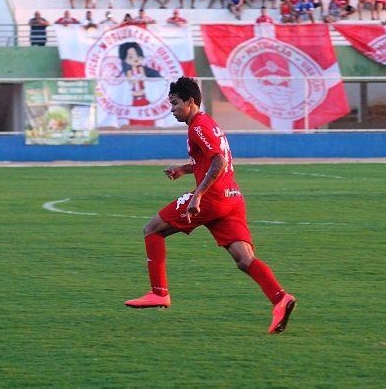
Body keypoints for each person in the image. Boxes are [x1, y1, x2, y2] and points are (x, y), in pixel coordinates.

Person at [124, 77, 296, 335]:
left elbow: (218, 161)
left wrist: (197, 196)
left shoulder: (198, 127)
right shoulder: (207, 124)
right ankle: (280, 298)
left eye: (174, 103)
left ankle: (159, 293)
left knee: (152, 229)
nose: (171, 109)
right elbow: (212, 159)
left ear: (190, 102)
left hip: (213, 199)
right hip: (232, 197)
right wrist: (184, 169)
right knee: (243, 258)